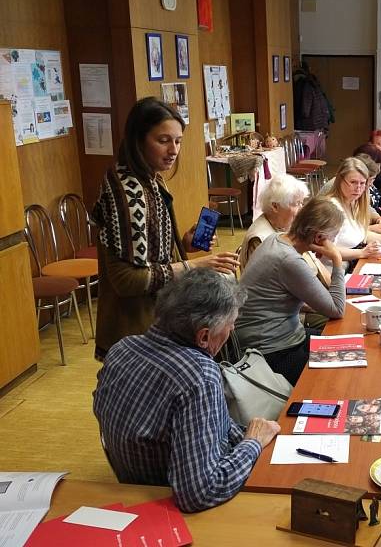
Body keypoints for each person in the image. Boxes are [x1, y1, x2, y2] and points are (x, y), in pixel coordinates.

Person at [94, 269, 280, 513]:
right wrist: (253, 443)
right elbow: (200, 493)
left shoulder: (122, 348)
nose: (232, 330)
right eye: (230, 325)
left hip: (133, 484)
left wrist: (247, 436)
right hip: (168, 505)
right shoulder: (199, 375)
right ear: (203, 336)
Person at [92, 97, 238, 361]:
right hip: (134, 332)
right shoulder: (125, 192)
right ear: (138, 139)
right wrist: (197, 265)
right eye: (163, 140)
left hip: (154, 323)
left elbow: (152, 252)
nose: (173, 150)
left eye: (178, 141)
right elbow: (128, 280)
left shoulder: (149, 179)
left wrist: (184, 243)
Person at [235, 198, 347, 385]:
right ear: (319, 238)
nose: (333, 244)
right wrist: (336, 259)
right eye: (332, 238)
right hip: (272, 351)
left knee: (343, 344)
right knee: (339, 373)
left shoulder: (275, 239)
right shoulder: (289, 260)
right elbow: (337, 309)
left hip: (270, 338)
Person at [323, 157, 381, 268]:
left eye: (362, 183)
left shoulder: (354, 202)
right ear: (340, 180)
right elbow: (327, 249)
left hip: (353, 261)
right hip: (334, 268)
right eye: (353, 182)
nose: (358, 188)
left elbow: (363, 235)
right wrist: (362, 253)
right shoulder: (331, 208)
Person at [239, 174, 309, 270]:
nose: (301, 209)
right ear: (275, 207)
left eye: (301, 203)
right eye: (296, 204)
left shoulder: (285, 225)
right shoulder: (260, 239)